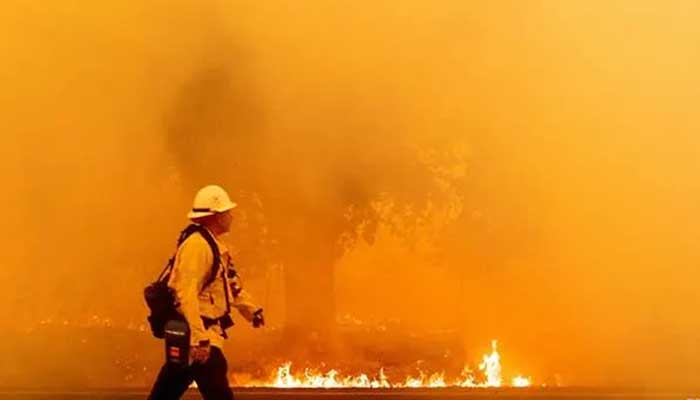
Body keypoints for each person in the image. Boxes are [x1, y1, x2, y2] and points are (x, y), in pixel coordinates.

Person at [148, 184, 264, 400]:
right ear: (216, 216)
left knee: (166, 393)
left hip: (195, 339)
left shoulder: (212, 245)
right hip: (199, 340)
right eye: (227, 212)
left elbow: (228, 285)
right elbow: (186, 294)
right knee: (218, 393)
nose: (231, 216)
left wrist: (251, 310)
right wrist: (198, 339)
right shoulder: (198, 247)